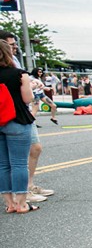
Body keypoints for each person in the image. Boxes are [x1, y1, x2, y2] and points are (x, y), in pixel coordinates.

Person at [3, 32, 51, 201]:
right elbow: (25, 95)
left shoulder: (14, 61)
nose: (14, 46)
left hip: (16, 113)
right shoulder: (11, 67)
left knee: (31, 151)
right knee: (17, 161)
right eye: (11, 44)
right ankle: (22, 195)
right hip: (16, 115)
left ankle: (24, 189)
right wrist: (29, 84)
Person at [0, 38, 37, 213]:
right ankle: (22, 203)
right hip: (17, 119)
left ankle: (9, 204)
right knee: (19, 164)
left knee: (2, 165)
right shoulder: (19, 74)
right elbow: (27, 99)